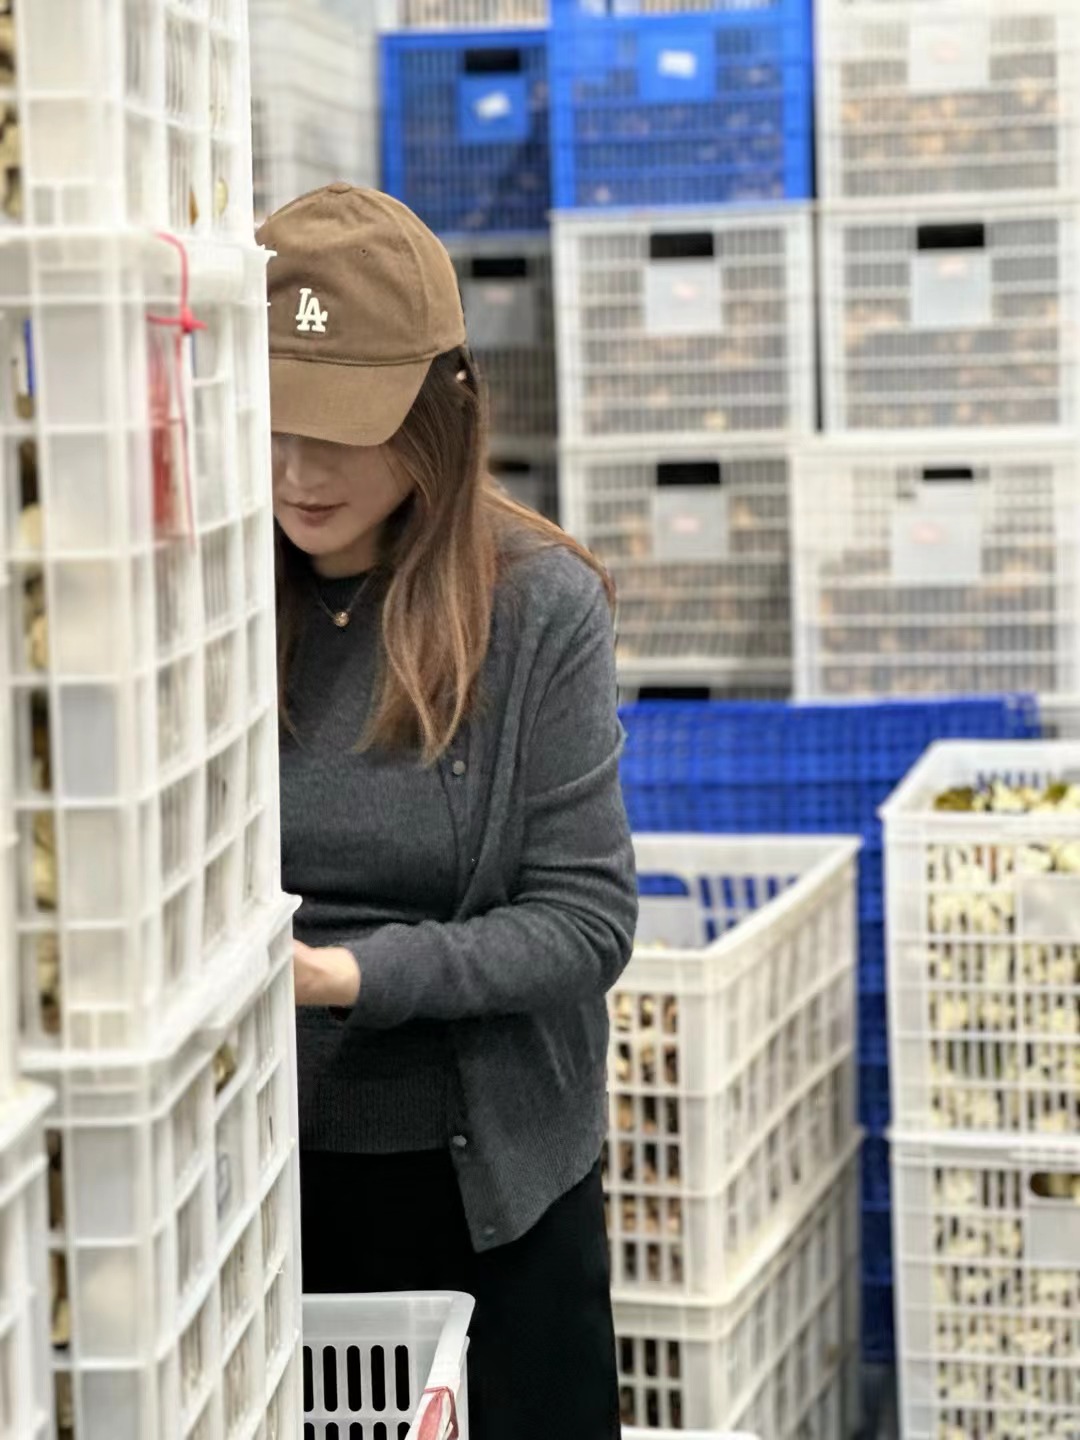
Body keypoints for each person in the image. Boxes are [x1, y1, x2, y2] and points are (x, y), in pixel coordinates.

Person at [257, 184, 638, 1440]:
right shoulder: (207, 600)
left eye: (341, 430)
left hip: (490, 1201)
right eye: (268, 423)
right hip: (263, 1190)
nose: (297, 471)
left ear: (440, 408)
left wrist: (346, 976)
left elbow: (585, 922)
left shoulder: (535, 606)